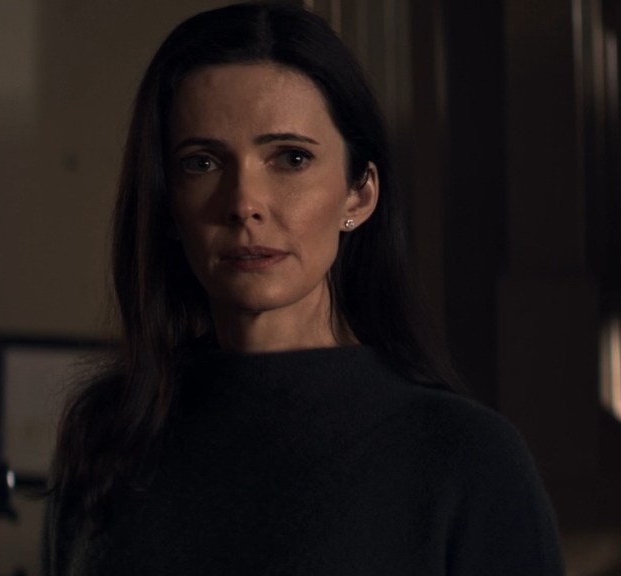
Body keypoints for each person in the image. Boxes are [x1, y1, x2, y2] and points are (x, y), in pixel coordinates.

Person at [43, 2, 564, 574]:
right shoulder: (110, 435)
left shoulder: (465, 458)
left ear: (359, 194)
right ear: (167, 202)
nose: (244, 203)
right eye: (202, 163)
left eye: (291, 158)